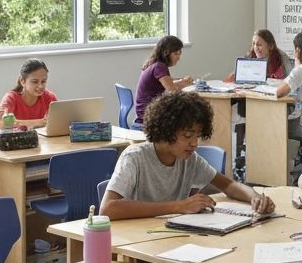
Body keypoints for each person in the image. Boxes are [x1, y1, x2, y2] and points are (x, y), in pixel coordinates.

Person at [101, 89, 274, 220]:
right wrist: (179, 206)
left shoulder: (189, 159)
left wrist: (256, 197)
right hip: (137, 239)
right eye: (187, 135)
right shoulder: (134, 158)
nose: (194, 143)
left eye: (197, 136)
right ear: (166, 130)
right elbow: (108, 208)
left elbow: (229, 185)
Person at [135, 36, 193, 124]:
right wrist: (185, 85)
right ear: (166, 52)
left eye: (180, 53)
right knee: (190, 111)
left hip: (144, 111)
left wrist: (182, 81)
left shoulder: (153, 63)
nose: (178, 57)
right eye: (176, 54)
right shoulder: (159, 66)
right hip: (149, 115)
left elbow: (168, 82)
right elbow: (172, 92)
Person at [0, 58, 57, 128]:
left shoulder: (49, 97)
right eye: (35, 82)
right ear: (22, 80)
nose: (40, 86)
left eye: (43, 81)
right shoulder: (11, 98)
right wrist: (38, 122)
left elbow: (61, 120)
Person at [224, 29, 289, 83]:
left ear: (270, 46)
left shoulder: (281, 58)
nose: (255, 47)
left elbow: (288, 81)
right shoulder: (251, 55)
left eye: (259, 45)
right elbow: (232, 77)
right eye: (254, 44)